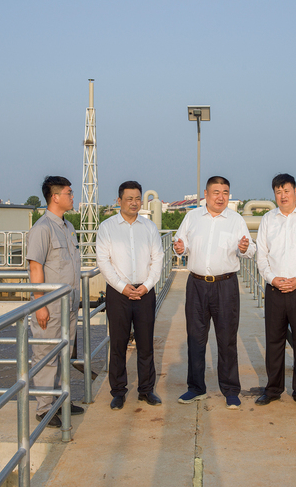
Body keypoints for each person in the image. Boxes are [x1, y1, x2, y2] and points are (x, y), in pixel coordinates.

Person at [173, 176, 255, 409]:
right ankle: (196, 388)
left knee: (227, 338)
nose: (221, 197)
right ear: (206, 195)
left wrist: (245, 247)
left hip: (225, 285)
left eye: (225, 192)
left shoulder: (236, 220)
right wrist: (179, 248)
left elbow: (250, 250)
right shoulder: (192, 217)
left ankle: (230, 390)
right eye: (216, 192)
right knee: (195, 337)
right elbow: (180, 244)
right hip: (197, 285)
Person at [96, 181, 164, 410]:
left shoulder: (149, 227)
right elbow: (103, 261)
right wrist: (122, 287)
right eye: (129, 199)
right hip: (118, 294)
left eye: (137, 199)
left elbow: (158, 258)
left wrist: (147, 285)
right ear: (119, 201)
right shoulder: (107, 227)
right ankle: (118, 392)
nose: (134, 203)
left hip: (145, 292)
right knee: (118, 344)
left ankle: (146, 390)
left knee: (146, 344)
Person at [255, 174, 296, 409]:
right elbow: (261, 255)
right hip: (274, 289)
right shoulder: (268, 219)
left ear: (295, 192)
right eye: (278, 192)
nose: (283, 196)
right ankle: (273, 389)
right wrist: (272, 278)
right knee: (274, 341)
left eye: (287, 191)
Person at [26, 176, 85, 428]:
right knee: (46, 356)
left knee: (64, 354)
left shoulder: (68, 227)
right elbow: (35, 267)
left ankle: (61, 400)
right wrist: (39, 305)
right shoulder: (42, 228)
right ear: (55, 197)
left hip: (68, 304)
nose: (72, 197)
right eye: (69, 193)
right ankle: (44, 408)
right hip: (50, 306)